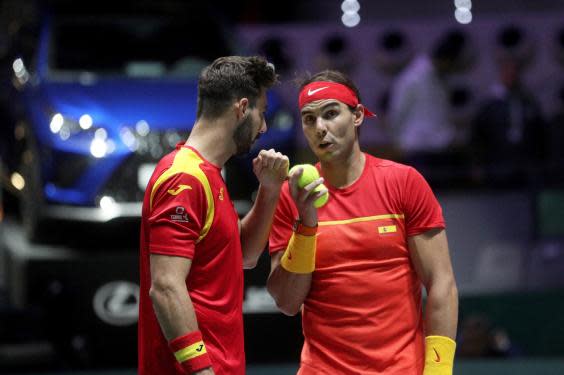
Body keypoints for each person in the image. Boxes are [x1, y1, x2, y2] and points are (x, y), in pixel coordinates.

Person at [267, 70, 458, 374]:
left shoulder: (404, 182)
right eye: (309, 119)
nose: (320, 128)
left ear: (356, 116)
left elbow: (441, 283)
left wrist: (439, 370)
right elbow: (287, 302)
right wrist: (306, 225)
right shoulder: (291, 197)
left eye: (331, 114)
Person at [138, 56, 289, 375]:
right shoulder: (184, 179)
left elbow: (244, 255)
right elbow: (165, 286)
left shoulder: (208, 175)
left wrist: (270, 190)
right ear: (242, 107)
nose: (263, 127)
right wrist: (201, 370)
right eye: (262, 113)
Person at [388, 30, 468, 182]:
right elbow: (397, 112)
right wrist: (398, 141)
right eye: (453, 65)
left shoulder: (441, 79)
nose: (452, 70)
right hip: (417, 151)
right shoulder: (412, 78)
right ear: (446, 61)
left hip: (440, 150)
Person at [470, 57, 546, 186]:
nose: (511, 75)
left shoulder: (528, 101)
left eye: (514, 72)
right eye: (507, 72)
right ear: (501, 74)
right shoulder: (490, 104)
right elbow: (477, 136)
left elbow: (541, 134)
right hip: (498, 164)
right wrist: (476, 165)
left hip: (527, 165)